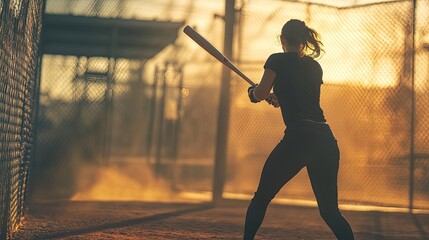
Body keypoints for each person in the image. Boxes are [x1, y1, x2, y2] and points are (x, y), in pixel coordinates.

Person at [243, 19, 354, 240]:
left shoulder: (277, 59)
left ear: (283, 40)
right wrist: (280, 98)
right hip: (325, 139)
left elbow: (259, 94)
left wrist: (253, 92)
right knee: (330, 212)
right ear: (303, 41)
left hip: (299, 138)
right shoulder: (314, 66)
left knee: (261, 198)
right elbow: (303, 99)